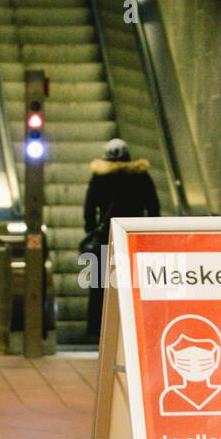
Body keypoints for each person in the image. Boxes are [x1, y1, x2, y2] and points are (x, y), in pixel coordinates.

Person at [82, 138, 160, 339]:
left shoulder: (100, 177)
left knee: (100, 284)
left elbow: (89, 207)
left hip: (106, 237)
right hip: (134, 237)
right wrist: (150, 231)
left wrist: (91, 227)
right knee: (133, 284)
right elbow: (153, 206)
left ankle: (97, 329)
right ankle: (135, 326)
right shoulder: (140, 176)